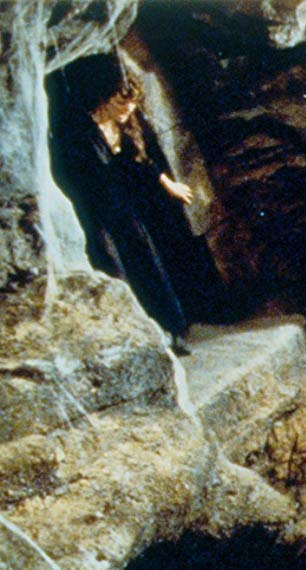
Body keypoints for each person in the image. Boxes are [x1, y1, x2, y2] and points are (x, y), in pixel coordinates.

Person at [50, 57, 197, 355]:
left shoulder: (124, 124)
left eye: (131, 103)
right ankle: (140, 340)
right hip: (94, 214)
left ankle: (173, 330)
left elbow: (140, 160)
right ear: (103, 96)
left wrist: (166, 183)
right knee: (116, 271)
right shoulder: (80, 131)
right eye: (120, 102)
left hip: (123, 208)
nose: (128, 109)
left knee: (148, 263)